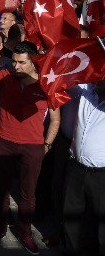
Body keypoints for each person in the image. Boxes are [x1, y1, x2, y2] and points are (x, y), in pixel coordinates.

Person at [0, 40, 60, 255]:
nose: (16, 66)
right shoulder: (7, 75)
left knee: (28, 194)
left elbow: (55, 120)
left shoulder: (48, 84)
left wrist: (46, 145)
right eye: (15, 62)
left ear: (33, 62)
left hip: (33, 146)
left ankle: (25, 232)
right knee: (1, 189)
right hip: (4, 141)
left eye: (21, 63)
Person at [62, 81, 105, 255]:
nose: (96, 79)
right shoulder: (86, 90)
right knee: (71, 216)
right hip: (76, 168)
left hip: (101, 175)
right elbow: (59, 75)